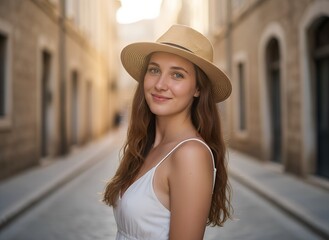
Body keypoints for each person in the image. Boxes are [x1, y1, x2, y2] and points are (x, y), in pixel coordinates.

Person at [103, 24, 233, 240]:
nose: (160, 84)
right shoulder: (146, 145)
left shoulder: (190, 154)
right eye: (154, 70)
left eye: (178, 75)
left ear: (198, 89)